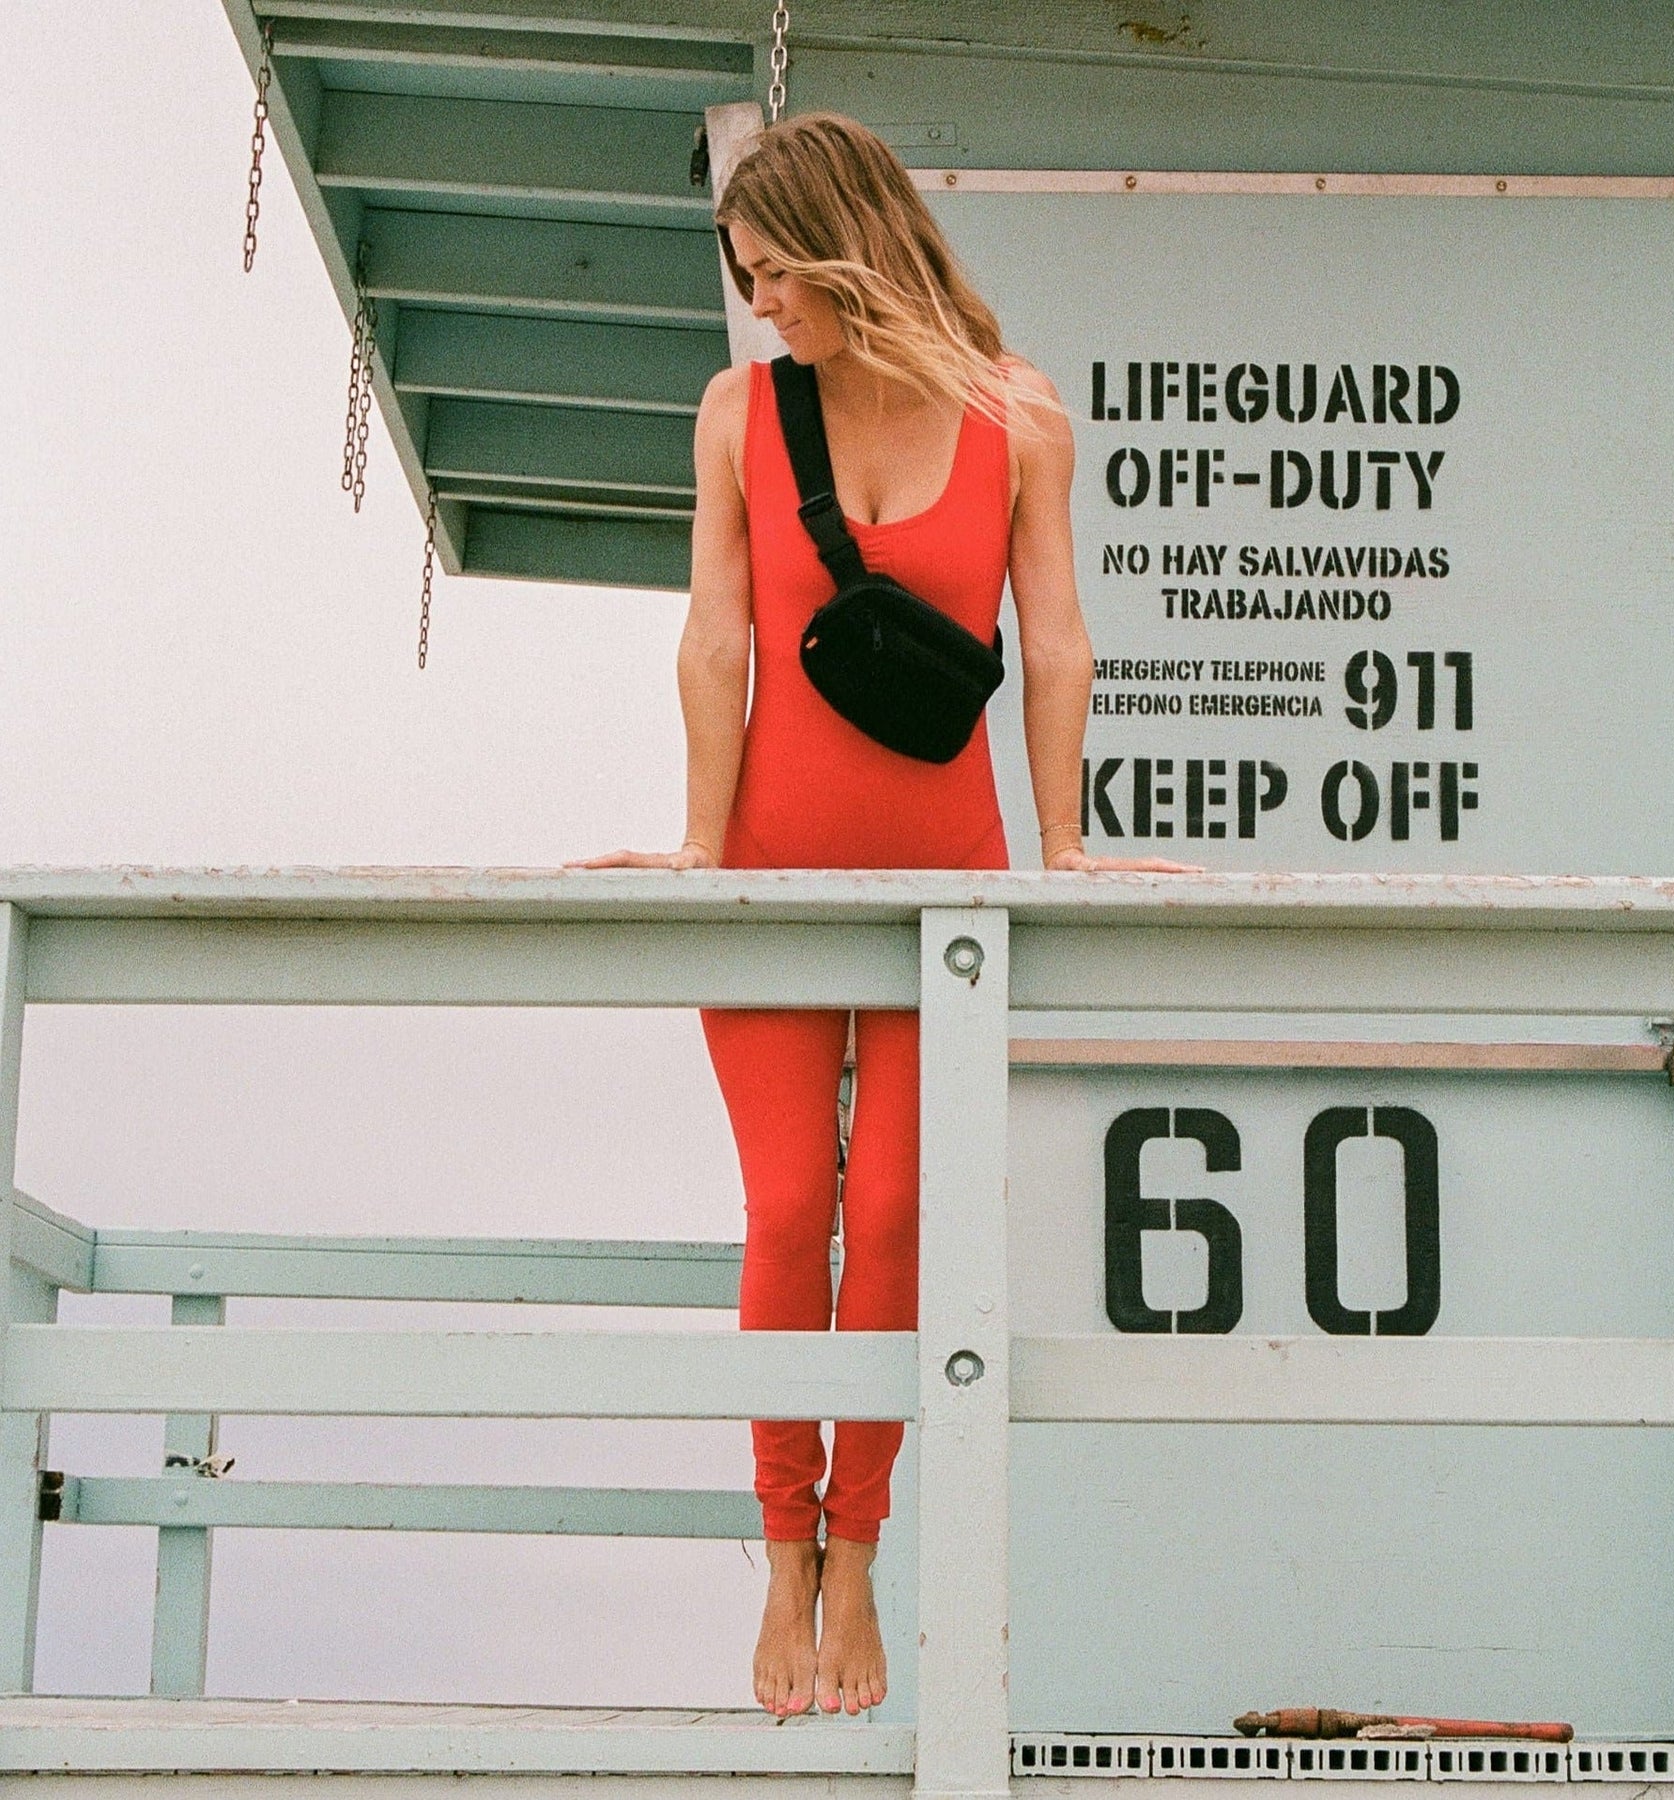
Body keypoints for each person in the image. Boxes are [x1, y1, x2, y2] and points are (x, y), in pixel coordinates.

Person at [569, 112, 1190, 1720]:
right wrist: (697, 849)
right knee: (791, 1211)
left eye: (777, 273)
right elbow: (718, 639)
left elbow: (1056, 640)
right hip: (770, 880)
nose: (761, 304)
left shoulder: (1017, 413)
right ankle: (783, 1550)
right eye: (746, 280)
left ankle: (860, 1552)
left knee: (900, 1216)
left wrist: (1065, 849)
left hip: (947, 892)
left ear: (850, 249)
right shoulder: (738, 414)